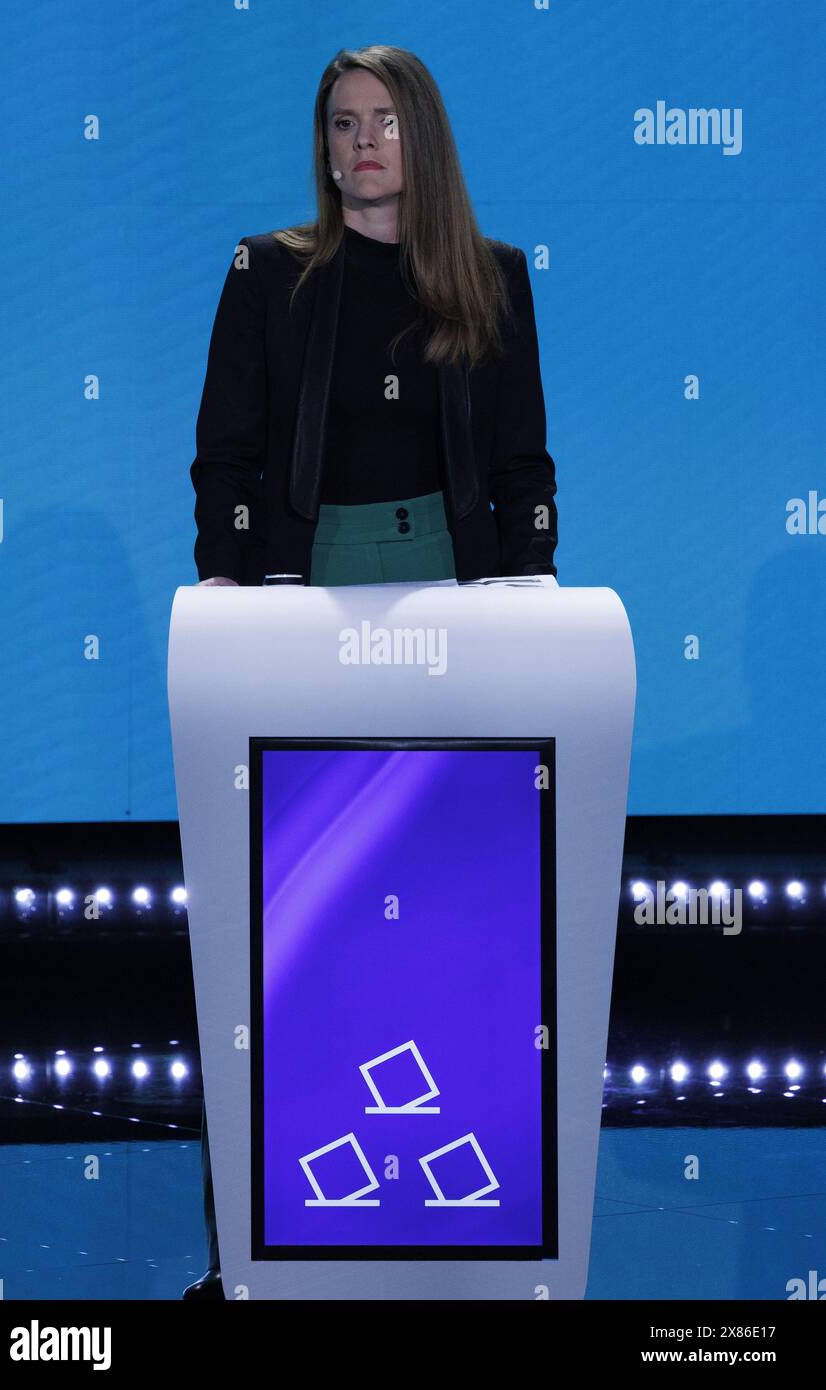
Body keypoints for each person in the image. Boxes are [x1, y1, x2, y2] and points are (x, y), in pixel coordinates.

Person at [182, 43, 559, 1300]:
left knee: (445, 916)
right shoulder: (267, 273)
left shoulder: (492, 280)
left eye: (383, 122)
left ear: (424, 140)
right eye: (341, 123)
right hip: (303, 602)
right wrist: (235, 597)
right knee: (284, 928)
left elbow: (523, 473)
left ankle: (451, 1232)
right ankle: (251, 1252)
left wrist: (528, 601)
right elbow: (224, 454)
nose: (360, 144)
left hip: (457, 605)